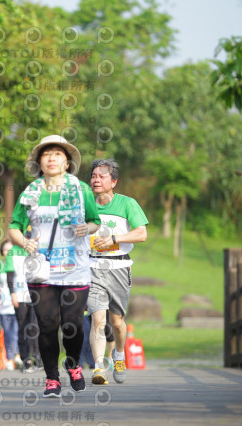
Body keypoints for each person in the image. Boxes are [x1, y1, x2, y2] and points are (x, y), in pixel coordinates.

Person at [8, 135, 100, 398]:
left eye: (57, 154)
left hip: (75, 266)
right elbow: (14, 225)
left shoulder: (81, 189)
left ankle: (73, 364)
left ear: (67, 162)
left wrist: (88, 227)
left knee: (72, 324)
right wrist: (24, 242)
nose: (51, 158)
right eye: (46, 154)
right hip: (41, 267)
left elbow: (95, 221)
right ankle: (51, 378)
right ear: (39, 161)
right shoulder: (30, 192)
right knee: (47, 324)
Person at [87, 158, 148, 385]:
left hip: (119, 267)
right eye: (93, 176)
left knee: (117, 321)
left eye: (101, 176)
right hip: (93, 267)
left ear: (113, 181)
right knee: (97, 319)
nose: (96, 180)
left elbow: (141, 234)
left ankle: (119, 355)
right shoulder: (86, 205)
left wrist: (114, 238)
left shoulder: (127, 204)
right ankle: (98, 367)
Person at [5, 242, 42, 372]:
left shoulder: (37, 247)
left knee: (34, 327)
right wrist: (12, 293)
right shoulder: (13, 251)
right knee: (22, 327)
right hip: (20, 295)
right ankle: (26, 358)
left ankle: (38, 357)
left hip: (36, 293)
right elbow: (9, 274)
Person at [0, 240, 19, 371]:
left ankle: (18, 355)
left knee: (18, 331)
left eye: (11, 250)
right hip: (4, 306)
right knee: (7, 332)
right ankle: (10, 359)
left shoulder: (19, 265)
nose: (9, 253)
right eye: (6, 250)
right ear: (2, 251)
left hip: (18, 304)